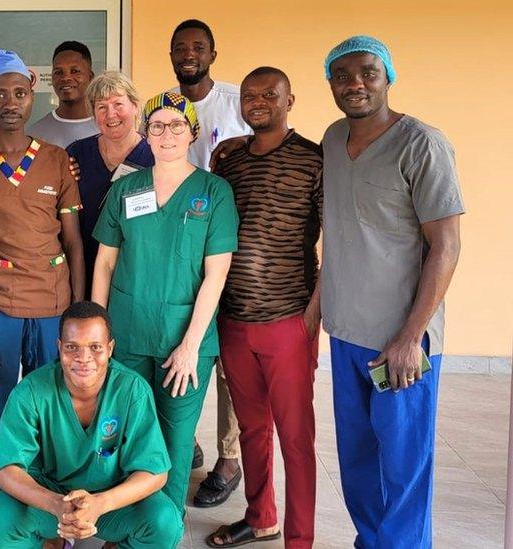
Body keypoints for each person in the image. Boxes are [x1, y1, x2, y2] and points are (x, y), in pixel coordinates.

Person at [321, 36, 463, 549]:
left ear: (388, 76)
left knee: (404, 464)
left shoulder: (421, 143)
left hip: (400, 341)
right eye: (342, 75)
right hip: (346, 333)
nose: (355, 83)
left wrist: (410, 336)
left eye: (367, 72)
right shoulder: (333, 141)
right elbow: (337, 233)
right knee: (357, 457)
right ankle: (371, 541)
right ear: (331, 84)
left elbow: (445, 246)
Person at [0, 49, 85, 549]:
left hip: (53, 307)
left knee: (56, 417)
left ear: (33, 95)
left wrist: (78, 317)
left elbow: (72, 244)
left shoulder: (54, 159)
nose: (10, 102)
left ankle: (53, 520)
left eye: (20, 93)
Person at [92, 91, 238, 515]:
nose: (167, 133)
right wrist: (99, 335)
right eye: (157, 125)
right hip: (126, 333)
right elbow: (104, 263)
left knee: (174, 439)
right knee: (124, 431)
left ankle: (162, 530)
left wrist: (191, 345)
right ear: (145, 133)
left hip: (185, 342)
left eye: (177, 125)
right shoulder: (126, 189)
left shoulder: (214, 192)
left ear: (192, 132)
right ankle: (120, 525)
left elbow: (216, 274)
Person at [206, 67, 322, 549]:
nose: (257, 102)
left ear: (289, 99)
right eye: (250, 96)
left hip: (288, 319)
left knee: (296, 438)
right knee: (252, 429)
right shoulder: (230, 161)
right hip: (234, 319)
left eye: (268, 95)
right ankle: (261, 517)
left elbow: (336, 240)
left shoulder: (315, 160)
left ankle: (300, 537)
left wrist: (313, 315)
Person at [0, 301, 183, 549]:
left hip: (111, 499)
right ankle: (51, 542)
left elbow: (155, 472)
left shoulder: (131, 390)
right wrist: (55, 504)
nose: (83, 358)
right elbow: (4, 470)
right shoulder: (31, 392)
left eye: (95, 347)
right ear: (59, 348)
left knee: (165, 523)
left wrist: (101, 503)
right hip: (49, 498)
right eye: (72, 347)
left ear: (110, 349)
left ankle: (117, 545)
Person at [167, 18, 249, 505]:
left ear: (212, 53)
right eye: (180, 47)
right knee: (182, 345)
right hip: (179, 249)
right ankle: (188, 443)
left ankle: (229, 456)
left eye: (198, 46)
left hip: (228, 243)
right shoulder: (165, 105)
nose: (188, 53)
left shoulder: (239, 101)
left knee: (227, 362)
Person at [66, 71, 153, 296]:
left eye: (118, 104)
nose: (110, 114)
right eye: (101, 107)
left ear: (135, 106)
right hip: (86, 268)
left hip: (136, 275)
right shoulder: (77, 154)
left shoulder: (155, 155)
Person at [28, 41, 99, 148]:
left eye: (75, 71)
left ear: (90, 77)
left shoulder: (107, 127)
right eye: (58, 72)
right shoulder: (36, 134)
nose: (66, 78)